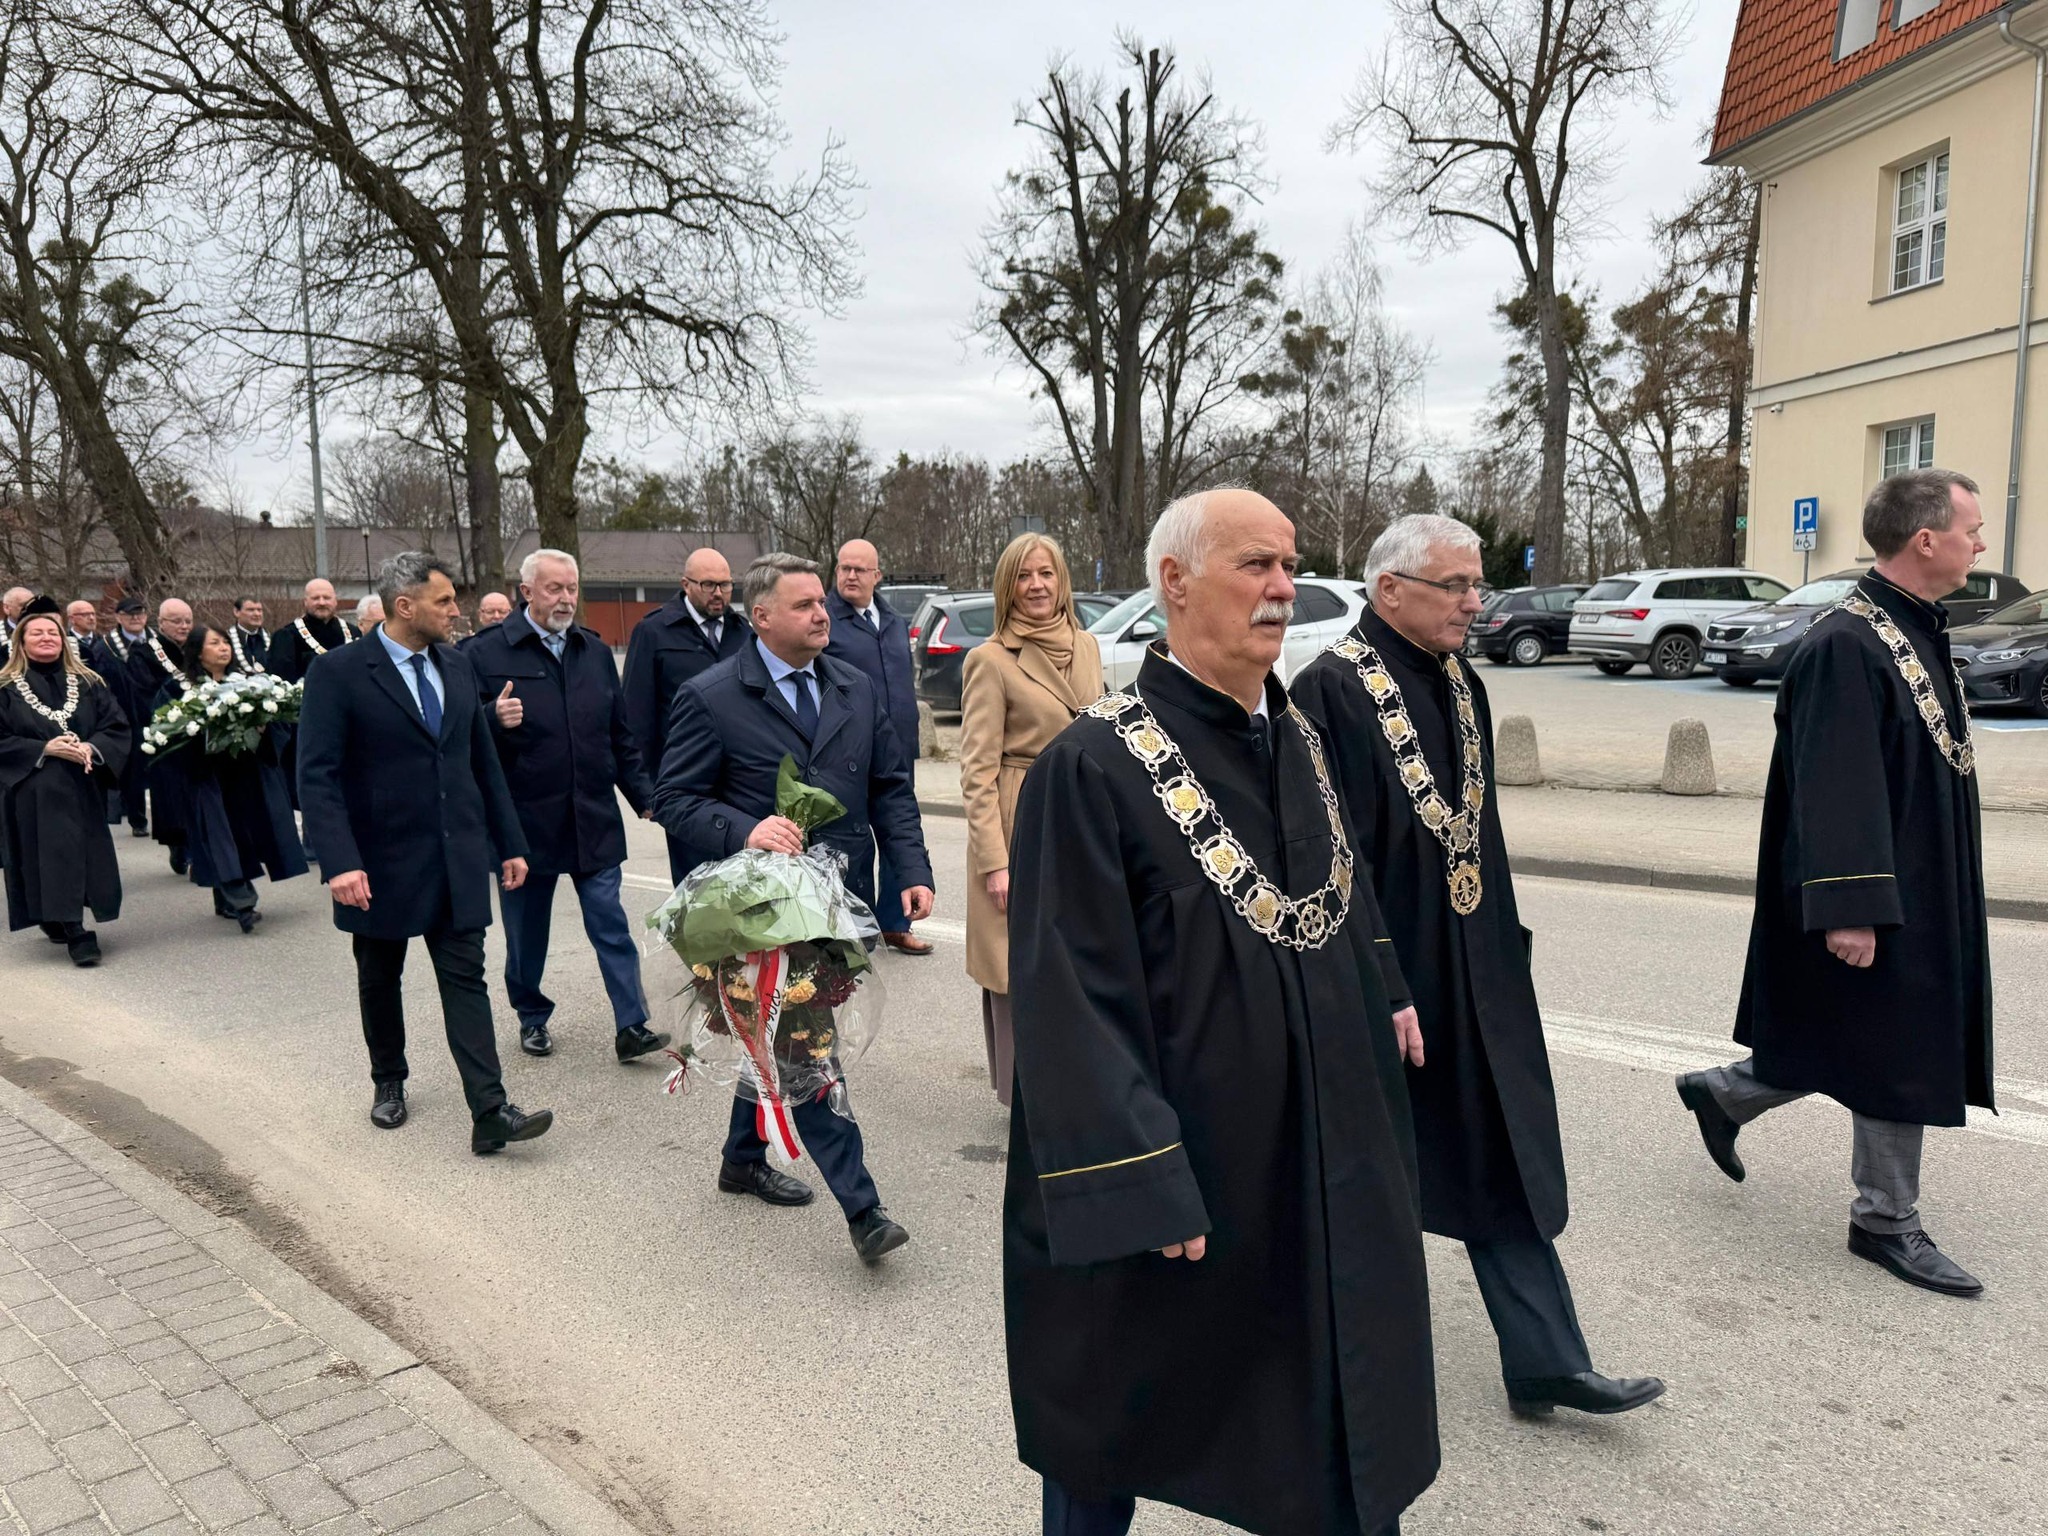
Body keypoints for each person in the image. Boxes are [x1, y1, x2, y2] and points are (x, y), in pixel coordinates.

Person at [1004, 489, 1437, 1536]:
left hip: (1316, 1144)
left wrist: (1387, 989)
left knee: (1326, 1407)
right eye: (1255, 565)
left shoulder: (1296, 738)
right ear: (1175, 582)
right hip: (1185, 1160)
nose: (1283, 588)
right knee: (1117, 1415)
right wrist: (1138, 1179)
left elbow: (1344, 890)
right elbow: (1069, 999)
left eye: (1289, 565)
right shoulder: (1091, 766)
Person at [1294, 514, 1665, 1419]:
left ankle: (1546, 1359)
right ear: (1390, 590)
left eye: (1476, 584)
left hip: (1474, 971)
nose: (1474, 602)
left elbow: (1479, 834)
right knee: (1361, 1177)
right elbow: (1331, 858)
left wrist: (1503, 946)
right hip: (1389, 979)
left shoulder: (1463, 681)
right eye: (1455, 586)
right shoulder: (1329, 691)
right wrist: (1379, 980)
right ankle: (1314, 1375)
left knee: (1498, 1154)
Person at [1677, 469, 1995, 1297]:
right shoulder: (1845, 645)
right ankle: (1885, 1219)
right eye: (1971, 529)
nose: (1980, 543)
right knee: (1896, 1043)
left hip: (1919, 876)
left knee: (1861, 1030)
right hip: (1873, 886)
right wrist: (1851, 906)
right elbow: (1836, 786)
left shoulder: (1915, 626)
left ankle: (1725, 1094)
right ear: (1925, 539)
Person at [653, 552, 932, 1263]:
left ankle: (741, 1158)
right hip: (763, 914)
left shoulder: (855, 686)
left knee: (780, 1032)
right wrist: (745, 828)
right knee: (807, 1044)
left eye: (821, 603)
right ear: (762, 616)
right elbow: (673, 798)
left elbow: (891, 786)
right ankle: (864, 1209)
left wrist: (912, 870)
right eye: (804, 604)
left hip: (843, 900)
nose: (821, 614)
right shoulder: (712, 696)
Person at [296, 552, 553, 1155]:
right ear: (404, 606)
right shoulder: (339, 672)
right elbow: (317, 775)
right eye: (444, 601)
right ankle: (388, 1078)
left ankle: (490, 1110)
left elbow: (480, 761)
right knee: (379, 975)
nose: (456, 610)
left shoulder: (457, 665)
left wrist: (509, 843)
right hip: (376, 862)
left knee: (466, 979)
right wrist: (339, 861)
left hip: (455, 856)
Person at [465, 549, 668, 1064]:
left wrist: (644, 796)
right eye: (554, 588)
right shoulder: (485, 653)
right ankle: (531, 1016)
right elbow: (459, 736)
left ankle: (631, 1024)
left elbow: (620, 735)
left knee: (611, 924)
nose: (566, 598)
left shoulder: (593, 651)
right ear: (526, 591)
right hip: (525, 826)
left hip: (592, 816)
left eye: (572, 588)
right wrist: (490, 718)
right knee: (526, 933)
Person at [957, 533, 1102, 1106]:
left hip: (1081, 816)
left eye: (1046, 573)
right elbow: (976, 773)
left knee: (1080, 955)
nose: (1036, 585)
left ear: (1062, 580)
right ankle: (1025, 1097)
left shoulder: (1087, 645)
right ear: (1007, 587)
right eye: (1023, 576)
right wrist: (995, 863)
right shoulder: (990, 660)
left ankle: (1078, 1085)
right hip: (1021, 818)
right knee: (1017, 964)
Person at [0, 599, 128, 966]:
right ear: (21, 642)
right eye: (36, 633)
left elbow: (115, 725)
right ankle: (75, 929)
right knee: (53, 853)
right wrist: (43, 748)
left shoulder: (90, 683)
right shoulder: (5, 687)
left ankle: (61, 916)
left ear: (63, 639)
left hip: (84, 785)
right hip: (33, 788)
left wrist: (90, 746)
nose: (46, 638)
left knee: (81, 852)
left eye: (52, 633)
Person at [823, 537, 929, 955]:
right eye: (844, 568)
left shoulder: (893, 620)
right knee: (850, 841)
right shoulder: (826, 618)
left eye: (859, 569)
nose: (850, 575)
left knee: (898, 832)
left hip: (897, 745)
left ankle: (895, 923)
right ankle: (848, 928)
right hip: (847, 749)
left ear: (877, 576)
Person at [623, 546, 751, 882]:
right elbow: (635, 716)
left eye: (725, 585)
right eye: (708, 585)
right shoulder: (654, 631)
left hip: (739, 782)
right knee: (696, 887)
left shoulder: (744, 632)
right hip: (685, 782)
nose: (718, 593)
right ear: (686, 584)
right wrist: (644, 791)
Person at [172, 625, 307, 933]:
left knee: (241, 834)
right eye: (214, 643)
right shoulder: (180, 689)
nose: (224, 648)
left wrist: (262, 728)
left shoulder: (248, 685)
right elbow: (167, 731)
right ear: (198, 652)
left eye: (225, 642)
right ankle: (243, 902)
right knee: (219, 834)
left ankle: (226, 899)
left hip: (245, 773)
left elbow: (278, 724)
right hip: (207, 777)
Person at [128, 597, 193, 874]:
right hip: (166, 733)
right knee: (172, 795)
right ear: (162, 623)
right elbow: (144, 693)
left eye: (188, 621)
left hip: (198, 733)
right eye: (177, 621)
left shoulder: (198, 647)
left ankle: (199, 846)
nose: (183, 626)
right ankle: (179, 846)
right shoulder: (144, 653)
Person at [99, 598, 152, 836]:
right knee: (134, 770)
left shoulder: (156, 643)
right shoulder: (106, 647)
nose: (136, 618)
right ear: (119, 617)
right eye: (130, 614)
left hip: (155, 711)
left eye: (140, 614)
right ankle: (137, 819)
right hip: (126, 713)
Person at [266, 578, 360, 684]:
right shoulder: (286, 636)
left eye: (327, 598)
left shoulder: (353, 633)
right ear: (305, 602)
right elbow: (281, 683)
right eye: (315, 598)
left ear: (335, 601)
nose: (322, 602)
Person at [227, 596, 269, 673]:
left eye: (259, 610)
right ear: (236, 612)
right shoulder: (226, 640)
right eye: (251, 610)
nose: (257, 614)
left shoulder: (272, 639)